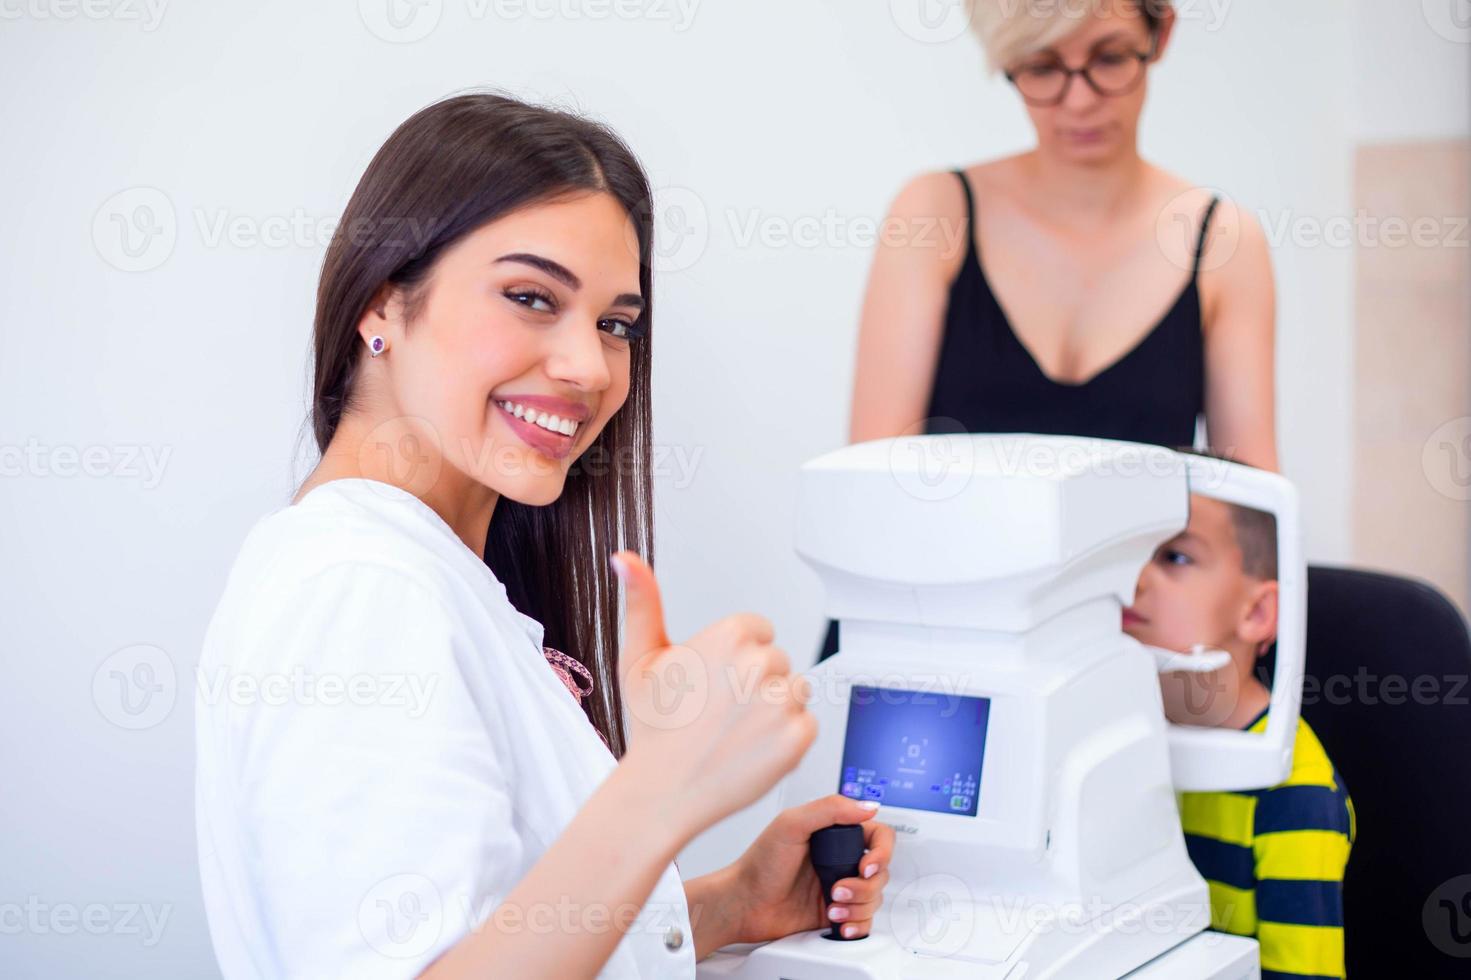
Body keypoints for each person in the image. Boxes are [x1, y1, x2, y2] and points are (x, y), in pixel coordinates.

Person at [194, 92, 893, 980]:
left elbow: (500, 934)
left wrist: (726, 904)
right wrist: (659, 793)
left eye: (615, 324)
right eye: (530, 297)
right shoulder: (363, 590)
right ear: (381, 301)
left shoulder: (429, 578)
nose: (588, 367)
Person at [822, 0, 1279, 661]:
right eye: (1041, 68)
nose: (1078, 101)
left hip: (1125, 644)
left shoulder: (1221, 241)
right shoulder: (933, 212)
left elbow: (1251, 515)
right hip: (933, 632)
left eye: (1109, 59)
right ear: (1007, 64)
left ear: (1161, 33)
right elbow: (872, 491)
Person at [1123, 478, 1354, 980]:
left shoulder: (1295, 792)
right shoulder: (1110, 739)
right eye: (1132, 552)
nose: (1135, 579)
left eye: (1175, 558)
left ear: (1257, 612)